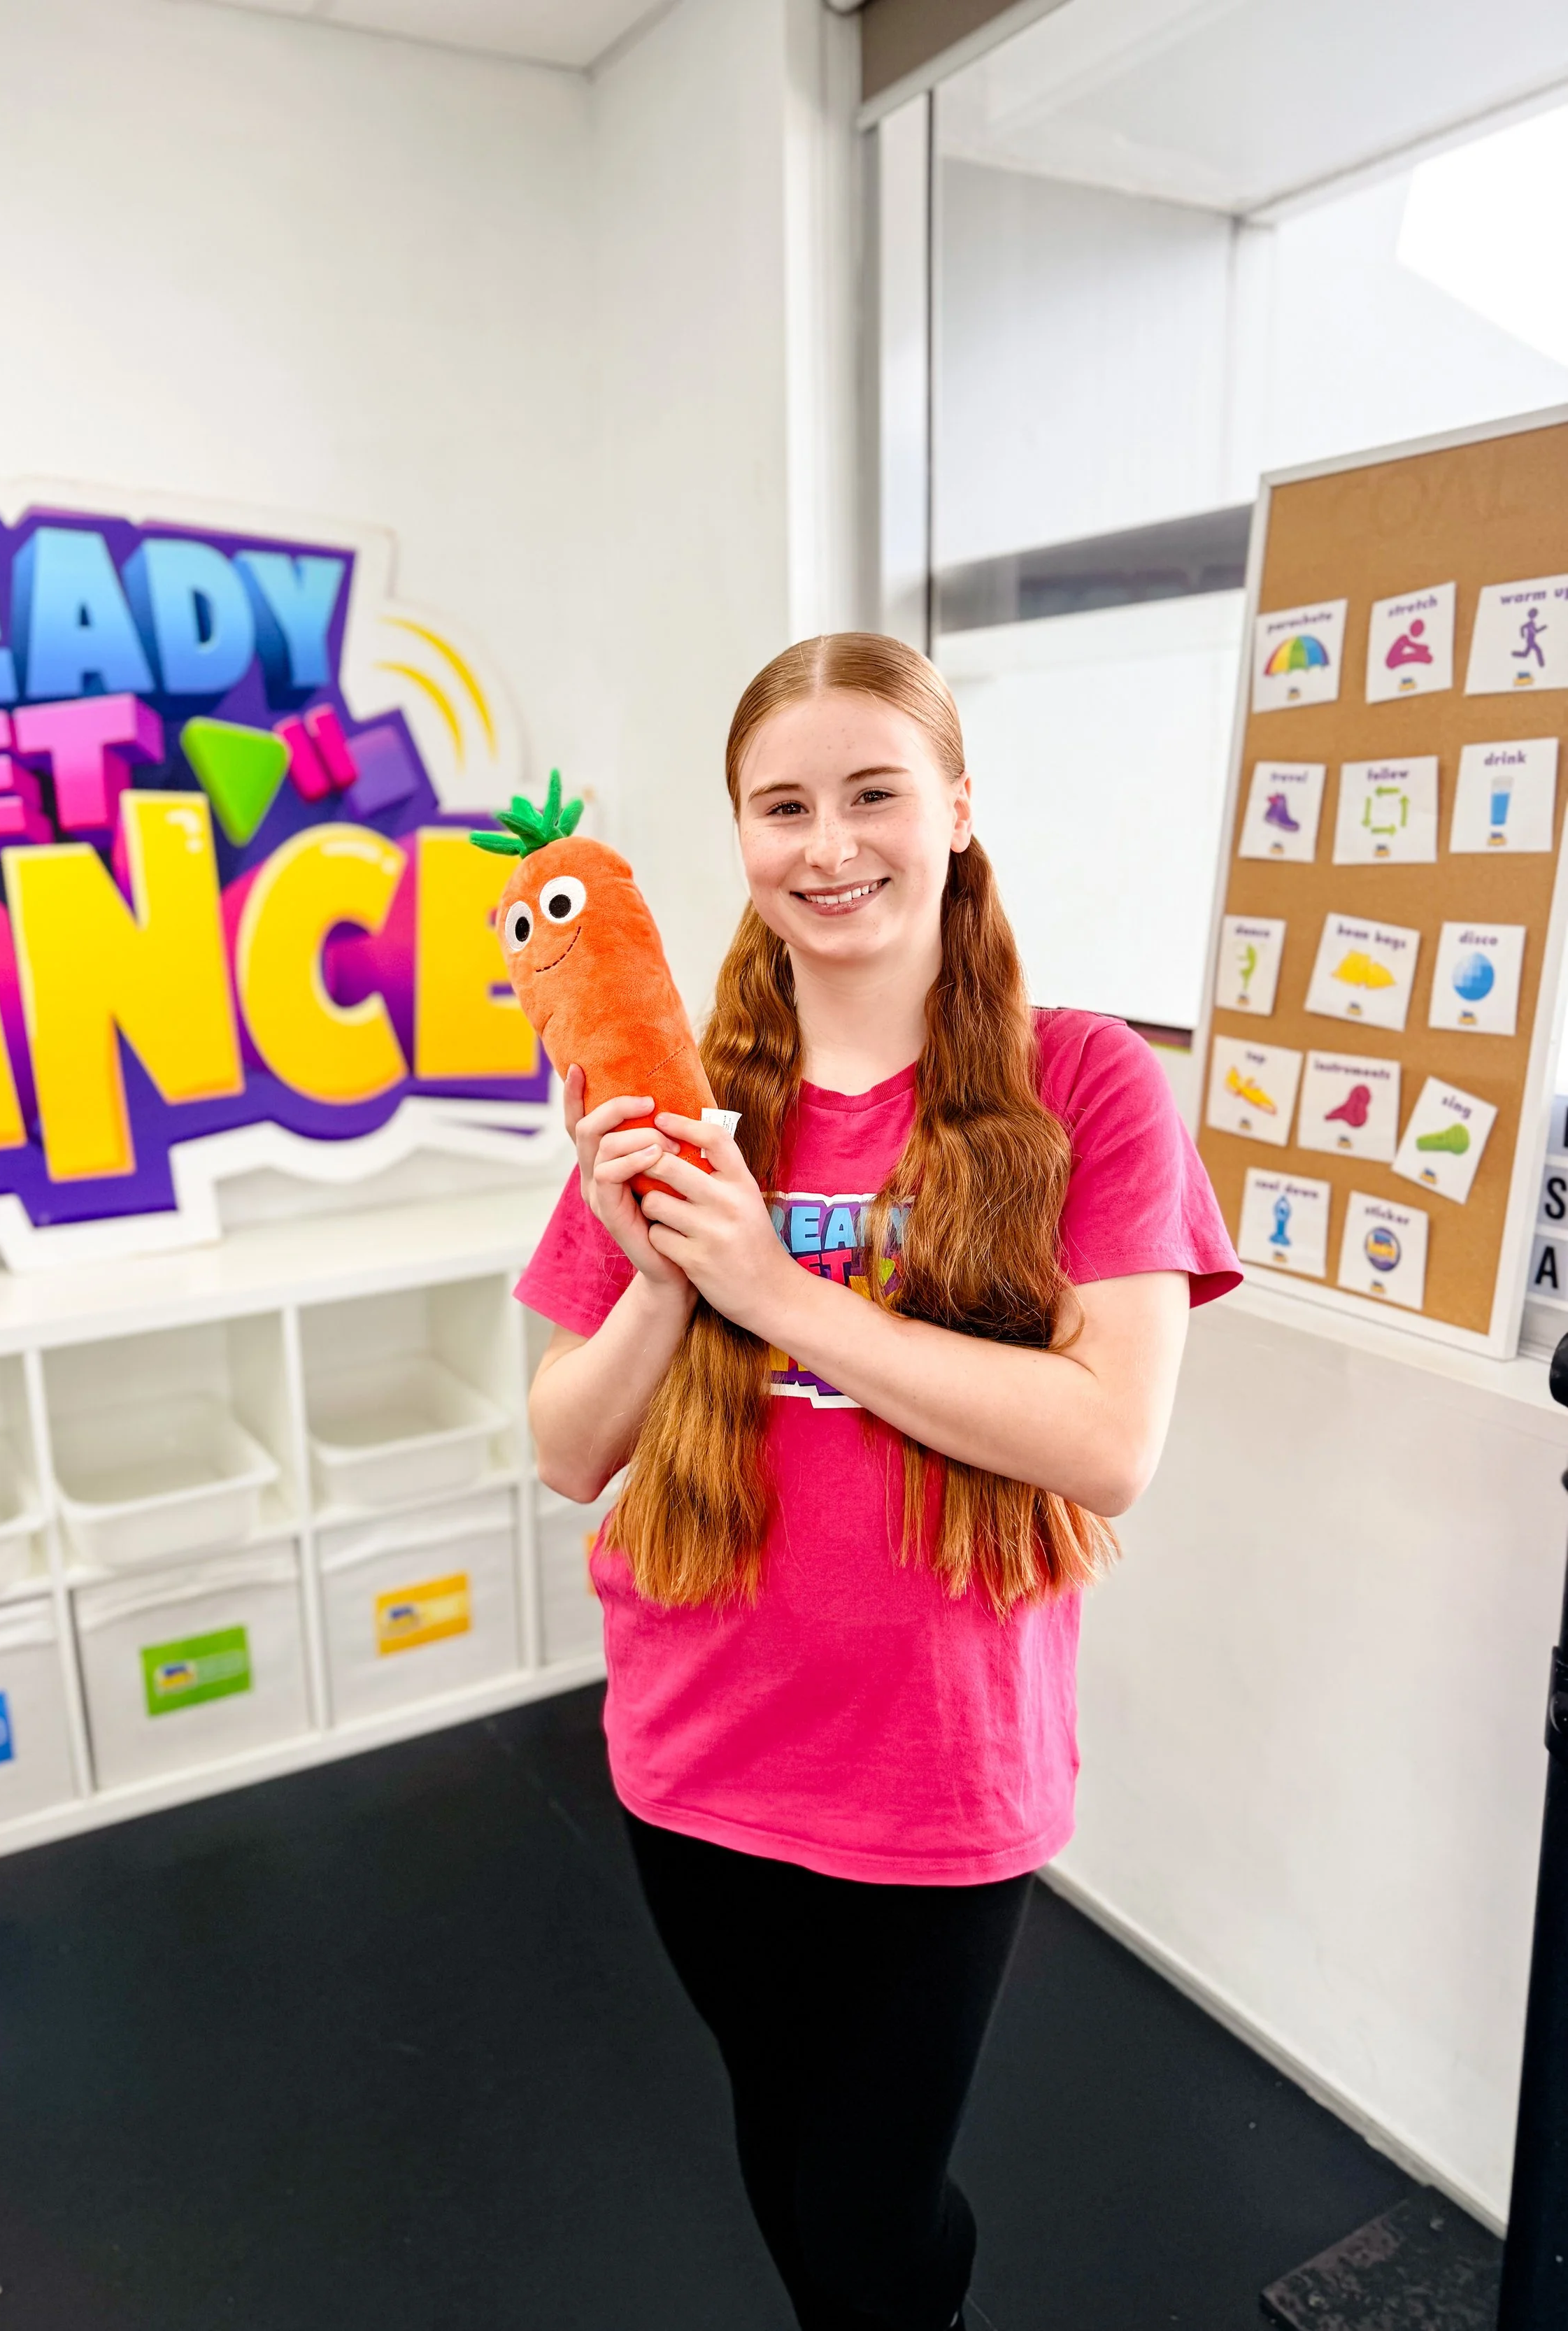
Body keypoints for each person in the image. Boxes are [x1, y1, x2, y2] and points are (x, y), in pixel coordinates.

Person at [515, 634, 1239, 2331]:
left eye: (871, 793)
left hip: (933, 1772)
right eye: (782, 806)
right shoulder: (679, 1107)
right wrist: (664, 1276)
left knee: (862, 2213)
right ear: (740, 839)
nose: (827, 844)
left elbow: (1105, 1441)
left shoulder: (1082, 1083)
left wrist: (778, 1291)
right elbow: (565, 1449)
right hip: (695, 1753)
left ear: (956, 812)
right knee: (788, 2146)